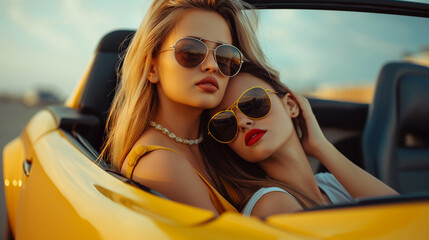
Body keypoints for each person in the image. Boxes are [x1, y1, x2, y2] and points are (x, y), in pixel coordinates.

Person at [100, 0, 279, 215]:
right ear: (152, 68)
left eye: (225, 57)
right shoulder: (161, 164)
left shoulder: (219, 143)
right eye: (191, 51)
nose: (212, 65)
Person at [200, 63, 399, 218]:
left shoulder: (330, 183)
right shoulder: (273, 204)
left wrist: (321, 147)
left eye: (252, 103)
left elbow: (406, 216)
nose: (242, 122)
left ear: (291, 105)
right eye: (225, 123)